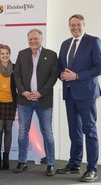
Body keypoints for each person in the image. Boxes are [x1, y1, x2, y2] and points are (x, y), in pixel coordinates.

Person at [56, 14, 101, 182]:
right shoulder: (65, 44)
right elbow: (61, 66)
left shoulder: (93, 41)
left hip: (87, 94)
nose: (75, 28)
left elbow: (99, 67)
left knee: (89, 131)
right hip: (69, 94)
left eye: (78, 25)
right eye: (72, 25)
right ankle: (74, 164)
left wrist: (77, 76)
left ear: (84, 25)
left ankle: (92, 169)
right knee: (74, 131)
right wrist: (62, 75)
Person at [13, 29, 58, 176]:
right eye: (30, 39)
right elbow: (17, 75)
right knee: (22, 133)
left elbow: (53, 76)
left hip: (43, 100)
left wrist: (40, 93)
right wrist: (23, 92)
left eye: (36, 39)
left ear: (41, 39)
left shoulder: (51, 55)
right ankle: (22, 162)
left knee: (47, 133)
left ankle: (50, 164)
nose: (33, 41)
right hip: (24, 100)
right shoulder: (22, 53)